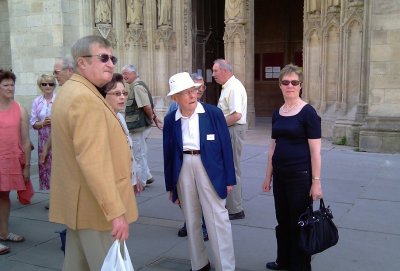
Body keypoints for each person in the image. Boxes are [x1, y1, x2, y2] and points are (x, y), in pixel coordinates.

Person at [49, 35, 138, 271]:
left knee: (77, 266)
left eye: (112, 58)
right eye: (103, 57)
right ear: (82, 63)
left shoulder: (72, 91)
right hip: (96, 208)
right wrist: (115, 212)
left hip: (82, 205)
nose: (110, 63)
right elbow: (93, 162)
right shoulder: (85, 99)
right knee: (108, 265)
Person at [163, 72, 236, 271]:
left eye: (193, 90)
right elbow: (168, 154)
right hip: (183, 168)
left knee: (218, 219)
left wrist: (230, 178)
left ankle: (225, 266)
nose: (192, 95)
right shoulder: (171, 120)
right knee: (191, 218)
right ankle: (199, 264)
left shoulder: (213, 114)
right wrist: (171, 186)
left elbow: (226, 148)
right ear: (175, 98)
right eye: (185, 93)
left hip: (209, 167)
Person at [262, 64, 323, 271]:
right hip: (280, 176)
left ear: (301, 86)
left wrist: (316, 182)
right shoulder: (277, 113)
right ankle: (284, 260)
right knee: (283, 220)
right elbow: (273, 146)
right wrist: (267, 175)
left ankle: (300, 265)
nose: (290, 86)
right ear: (280, 85)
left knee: (299, 222)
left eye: (294, 82)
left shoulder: (308, 113)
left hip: (300, 176)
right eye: (285, 82)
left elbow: (315, 152)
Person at [168, 73, 208, 241]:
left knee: (203, 196)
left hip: (201, 162)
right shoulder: (172, 112)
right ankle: (189, 222)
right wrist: (170, 183)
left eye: (197, 89)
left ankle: (205, 226)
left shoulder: (207, 112)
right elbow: (169, 147)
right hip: (182, 161)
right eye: (189, 90)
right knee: (185, 195)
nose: (194, 94)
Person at [0, 69, 31, 254]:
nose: (10, 88)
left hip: (10, 160)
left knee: (4, 196)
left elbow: (26, 140)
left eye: (12, 84)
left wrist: (27, 166)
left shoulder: (20, 108)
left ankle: (3, 232)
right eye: (5, 85)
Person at [212, 59, 247, 220]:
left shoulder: (233, 87)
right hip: (231, 130)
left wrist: (218, 126)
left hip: (233, 130)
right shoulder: (229, 86)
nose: (213, 75)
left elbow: (236, 115)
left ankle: (236, 209)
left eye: (215, 71)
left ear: (225, 71)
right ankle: (233, 205)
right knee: (230, 167)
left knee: (232, 168)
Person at [102, 73, 143, 195]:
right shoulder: (102, 120)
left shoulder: (119, 117)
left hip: (125, 182)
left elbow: (129, 151)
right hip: (111, 186)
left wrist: (135, 178)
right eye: (116, 93)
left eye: (124, 93)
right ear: (103, 96)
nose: (122, 97)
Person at [122, 64, 162, 188]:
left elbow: (147, 106)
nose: (124, 77)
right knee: (140, 152)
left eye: (126, 74)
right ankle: (148, 176)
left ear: (134, 73)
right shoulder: (136, 86)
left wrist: (153, 118)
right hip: (138, 126)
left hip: (138, 126)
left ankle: (141, 182)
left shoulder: (137, 87)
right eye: (123, 74)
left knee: (138, 154)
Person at [39, 56, 74, 165]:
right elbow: (58, 126)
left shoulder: (75, 93)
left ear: (69, 71)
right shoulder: (64, 93)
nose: (54, 75)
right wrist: (46, 148)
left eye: (57, 72)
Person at [30, 74, 57, 198]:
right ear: (40, 86)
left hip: (57, 138)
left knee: (57, 167)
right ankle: (52, 198)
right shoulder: (37, 101)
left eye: (51, 83)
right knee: (46, 167)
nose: (47, 86)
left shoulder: (58, 99)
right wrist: (42, 123)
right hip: (43, 138)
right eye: (44, 84)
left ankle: (58, 199)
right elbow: (33, 122)